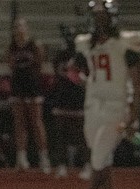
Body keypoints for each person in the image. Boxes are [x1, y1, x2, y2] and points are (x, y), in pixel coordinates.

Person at [70, 0, 140, 189]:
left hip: (116, 105)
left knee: (99, 157)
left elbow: (138, 82)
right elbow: (75, 72)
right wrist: (83, 80)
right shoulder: (86, 45)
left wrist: (133, 116)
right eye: (96, 16)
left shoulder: (124, 43)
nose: (99, 21)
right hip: (92, 105)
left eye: (103, 16)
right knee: (102, 159)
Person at [6, 16, 51, 173]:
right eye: (16, 27)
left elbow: (40, 63)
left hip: (32, 85)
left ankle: (43, 157)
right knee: (19, 123)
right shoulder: (12, 47)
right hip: (18, 85)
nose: (19, 29)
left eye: (21, 26)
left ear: (26, 28)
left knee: (36, 122)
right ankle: (21, 158)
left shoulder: (34, 45)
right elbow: (10, 65)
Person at [48, 24, 89, 179]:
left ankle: (86, 164)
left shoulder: (81, 57)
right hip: (62, 98)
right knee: (61, 135)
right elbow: (57, 75)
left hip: (78, 98)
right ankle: (62, 164)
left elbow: (85, 74)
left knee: (81, 135)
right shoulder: (60, 56)